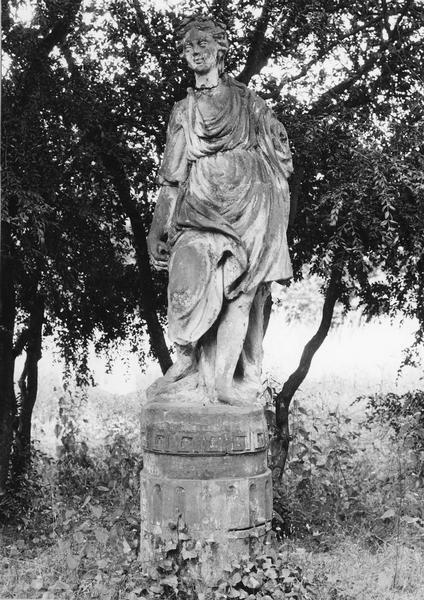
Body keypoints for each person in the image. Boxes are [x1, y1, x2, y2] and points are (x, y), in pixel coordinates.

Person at [147, 15, 293, 405]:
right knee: (185, 279)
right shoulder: (183, 111)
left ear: (219, 48)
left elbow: (279, 154)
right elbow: (172, 178)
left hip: (250, 206)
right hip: (198, 207)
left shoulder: (248, 102)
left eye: (202, 43)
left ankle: (225, 383)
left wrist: (274, 146)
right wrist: (156, 229)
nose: (194, 51)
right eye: (187, 47)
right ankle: (185, 360)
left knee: (239, 294)